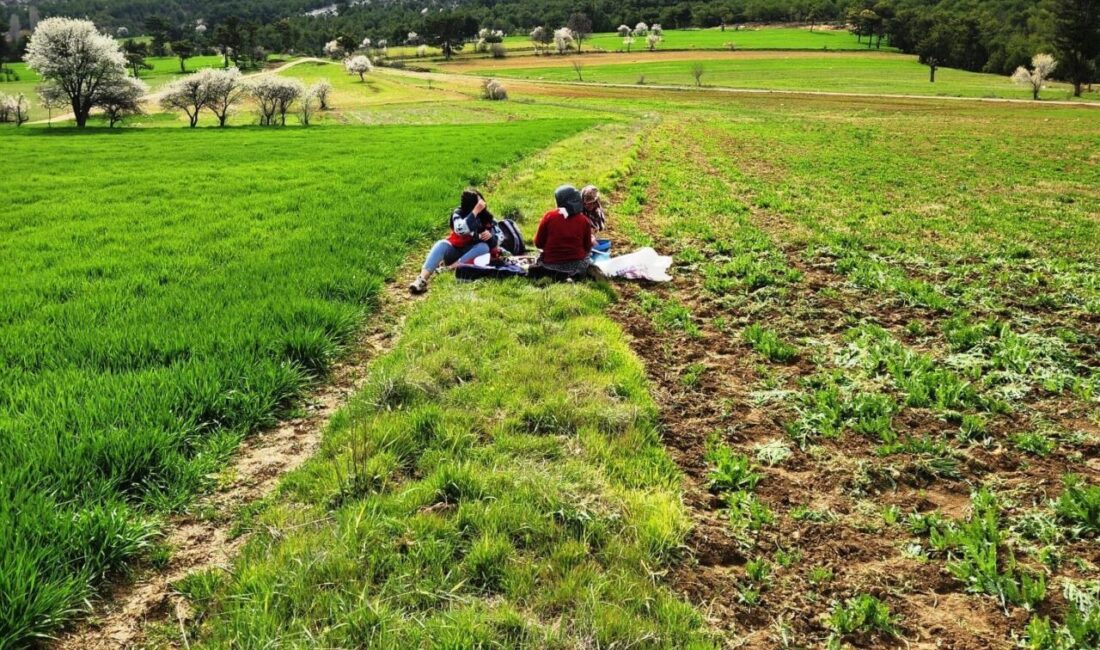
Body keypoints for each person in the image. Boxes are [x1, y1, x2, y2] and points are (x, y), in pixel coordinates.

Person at [409, 188, 496, 294]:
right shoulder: (458, 213)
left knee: (484, 247)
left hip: (472, 256)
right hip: (455, 250)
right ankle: (421, 280)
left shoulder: (487, 217)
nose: (482, 205)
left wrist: (490, 236)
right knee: (441, 244)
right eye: (478, 203)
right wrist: (475, 212)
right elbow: (460, 229)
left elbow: (495, 243)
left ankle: (450, 268)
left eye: (481, 202)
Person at [532, 185, 596, 279]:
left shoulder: (549, 216)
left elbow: (538, 244)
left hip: (550, 266)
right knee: (588, 254)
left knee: (540, 256)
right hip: (577, 266)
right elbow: (587, 247)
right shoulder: (584, 220)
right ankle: (573, 275)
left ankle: (554, 275)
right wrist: (591, 240)